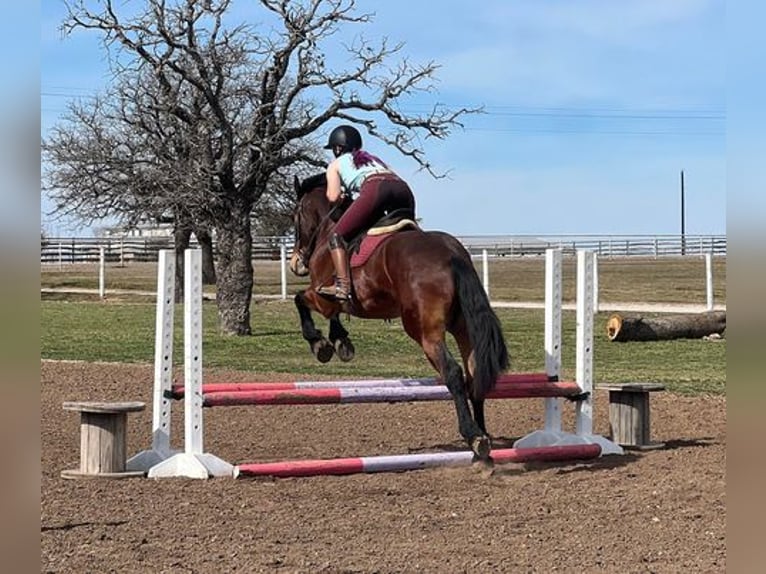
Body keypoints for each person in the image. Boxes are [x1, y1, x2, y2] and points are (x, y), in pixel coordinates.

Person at [316, 125, 416, 301]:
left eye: (333, 148)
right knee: (406, 232)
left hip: (376, 188)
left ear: (338, 147)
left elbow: (332, 197)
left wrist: (341, 197)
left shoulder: (335, 164)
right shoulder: (374, 159)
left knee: (336, 237)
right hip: (403, 189)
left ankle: (342, 286)